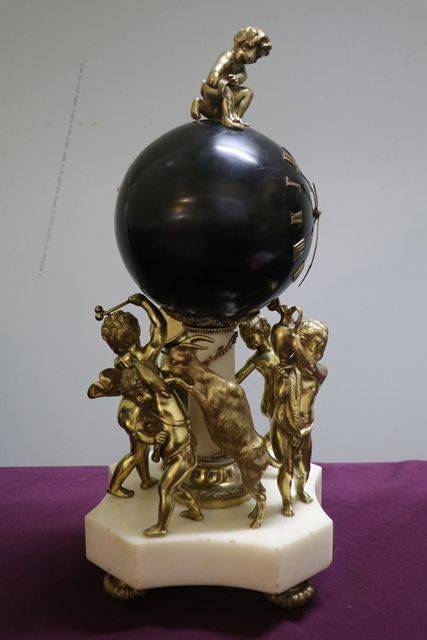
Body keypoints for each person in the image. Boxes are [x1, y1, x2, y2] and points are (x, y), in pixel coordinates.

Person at [87, 293, 166, 497]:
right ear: (137, 331)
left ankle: (146, 480)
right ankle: (114, 486)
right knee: (137, 453)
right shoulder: (145, 357)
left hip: (129, 409)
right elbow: (160, 327)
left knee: (139, 449)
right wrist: (145, 303)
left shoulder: (122, 362)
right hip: (137, 414)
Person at [190, 27, 271, 129]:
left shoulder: (241, 65)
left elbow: (243, 75)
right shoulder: (229, 56)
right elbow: (219, 66)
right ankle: (228, 118)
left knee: (248, 93)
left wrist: (237, 78)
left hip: (226, 93)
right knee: (226, 90)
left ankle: (234, 117)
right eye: (256, 56)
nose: (255, 61)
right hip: (212, 88)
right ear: (246, 46)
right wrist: (215, 74)